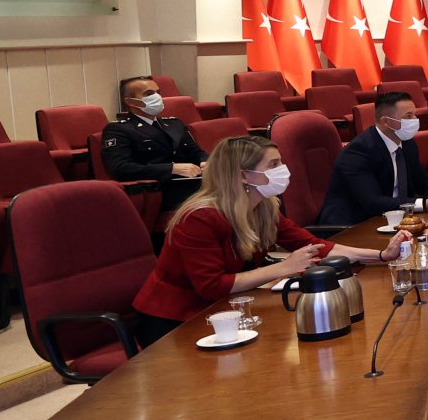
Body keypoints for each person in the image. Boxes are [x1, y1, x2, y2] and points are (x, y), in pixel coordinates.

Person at [130, 135, 409, 345]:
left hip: (228, 311)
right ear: (243, 175)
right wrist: (283, 267)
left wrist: (380, 255)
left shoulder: (264, 207)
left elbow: (313, 245)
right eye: (273, 165)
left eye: (281, 162)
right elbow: (211, 286)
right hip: (175, 322)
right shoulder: (200, 217)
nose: (283, 169)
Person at [317, 90, 428, 228]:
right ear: (385, 121)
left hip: (393, 220)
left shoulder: (407, 144)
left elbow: (423, 182)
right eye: (408, 116)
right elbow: (372, 202)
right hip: (353, 226)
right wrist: (424, 204)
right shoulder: (358, 152)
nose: (415, 120)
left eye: (414, 115)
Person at [99, 75, 207, 213]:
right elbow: (121, 168)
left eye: (158, 92)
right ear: (130, 102)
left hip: (193, 184)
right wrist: (171, 169)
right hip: (161, 190)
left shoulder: (173, 123)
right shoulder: (118, 129)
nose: (157, 97)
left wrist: (207, 162)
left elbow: (196, 152)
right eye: (149, 94)